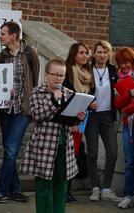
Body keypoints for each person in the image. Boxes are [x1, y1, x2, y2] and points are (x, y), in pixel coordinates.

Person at [0, 21, 40, 204]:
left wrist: (27, 98)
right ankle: (15, 190)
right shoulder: (1, 56)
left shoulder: (30, 53)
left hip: (22, 110)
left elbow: (35, 79)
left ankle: (0, 192)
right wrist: (6, 90)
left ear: (14, 35)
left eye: (3, 33)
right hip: (6, 109)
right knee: (9, 151)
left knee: (11, 150)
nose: (0, 36)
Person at [21, 59, 86, 213]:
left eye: (61, 75)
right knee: (44, 185)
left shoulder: (69, 93)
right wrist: (54, 100)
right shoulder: (37, 92)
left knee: (61, 184)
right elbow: (37, 115)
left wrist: (79, 117)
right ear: (46, 75)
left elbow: (73, 121)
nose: (58, 78)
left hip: (65, 144)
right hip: (44, 145)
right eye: (55, 74)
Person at [83, 40, 120, 203]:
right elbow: (81, 91)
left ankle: (106, 188)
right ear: (94, 54)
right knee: (92, 152)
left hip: (107, 117)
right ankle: (95, 188)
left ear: (109, 54)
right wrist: (88, 103)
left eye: (105, 52)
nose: (102, 55)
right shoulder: (87, 71)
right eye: (99, 52)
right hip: (92, 116)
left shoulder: (113, 71)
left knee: (112, 152)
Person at [63, 42, 96, 204]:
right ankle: (63, 192)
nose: (85, 55)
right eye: (81, 53)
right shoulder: (68, 71)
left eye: (86, 53)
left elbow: (90, 96)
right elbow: (65, 97)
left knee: (74, 155)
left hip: (83, 118)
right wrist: (71, 122)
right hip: (69, 120)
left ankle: (66, 192)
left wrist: (92, 104)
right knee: (66, 156)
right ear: (73, 54)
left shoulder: (88, 73)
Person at [114, 47, 134, 208]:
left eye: (126, 62)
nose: (124, 66)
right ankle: (127, 195)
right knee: (129, 163)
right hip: (128, 126)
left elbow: (125, 107)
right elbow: (118, 104)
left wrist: (128, 108)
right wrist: (131, 94)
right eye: (121, 63)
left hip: (129, 120)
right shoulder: (120, 82)